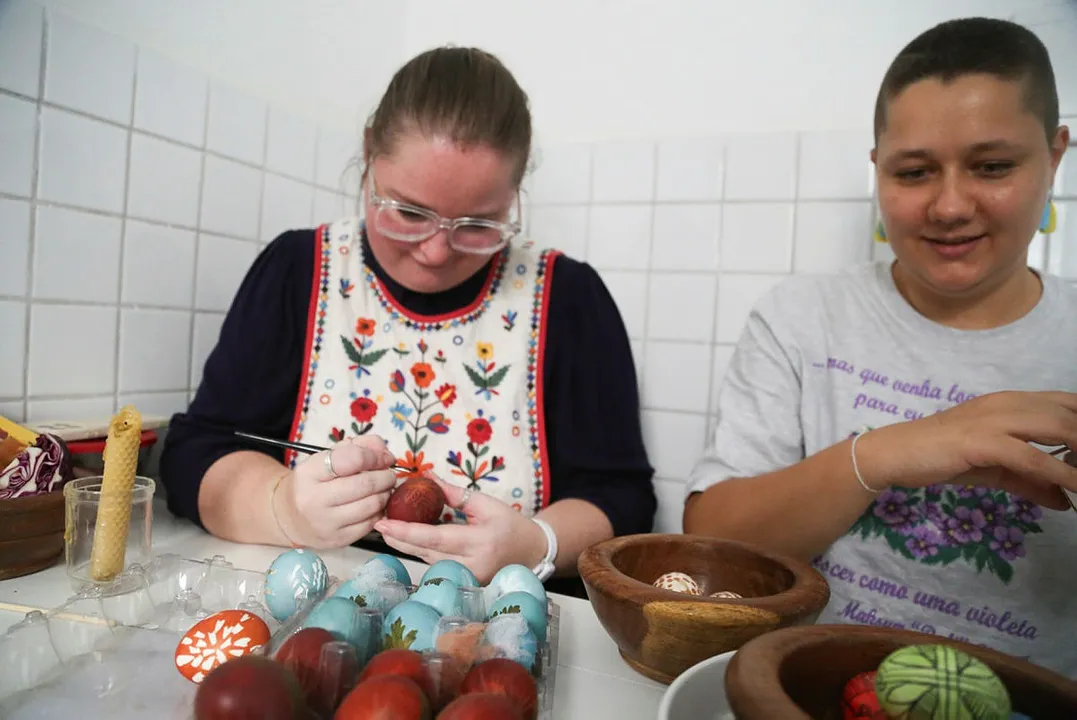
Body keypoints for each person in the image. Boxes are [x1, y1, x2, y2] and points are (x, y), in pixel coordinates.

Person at [160, 46, 656, 594]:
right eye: (409, 212)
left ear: (513, 197)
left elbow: (622, 499)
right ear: (369, 155)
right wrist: (282, 507)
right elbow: (195, 453)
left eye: (478, 224)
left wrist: (537, 544)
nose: (436, 253)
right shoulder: (298, 271)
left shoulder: (570, 298)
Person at [684, 17, 1077, 676]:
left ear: (1054, 156)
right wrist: (881, 454)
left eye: (992, 166)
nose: (949, 206)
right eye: (914, 172)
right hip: (809, 688)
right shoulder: (800, 319)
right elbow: (711, 543)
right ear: (877, 170)